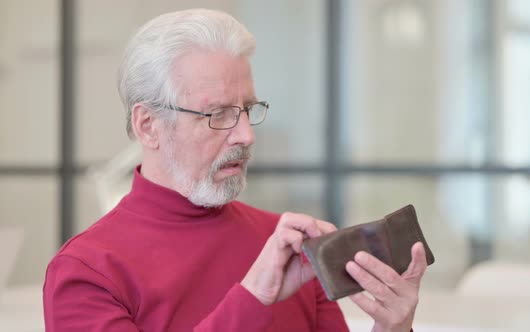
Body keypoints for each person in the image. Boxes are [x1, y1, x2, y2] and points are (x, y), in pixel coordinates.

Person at [43, 8, 427, 332]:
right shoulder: (86, 272)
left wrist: (392, 328)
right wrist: (253, 297)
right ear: (148, 125)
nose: (245, 135)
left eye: (247, 110)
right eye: (218, 114)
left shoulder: (286, 244)